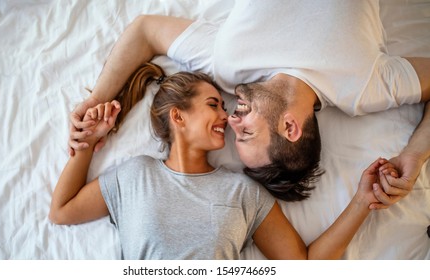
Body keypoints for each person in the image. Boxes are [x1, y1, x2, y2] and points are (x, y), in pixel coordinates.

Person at [68, 1, 430, 202]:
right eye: (246, 133)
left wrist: (99, 97)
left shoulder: (227, 69)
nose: (230, 121)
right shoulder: (365, 87)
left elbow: (145, 29)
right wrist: (415, 155)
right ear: (290, 127)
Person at [50, 62, 399, 259]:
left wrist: (361, 202)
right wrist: (88, 143)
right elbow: (62, 210)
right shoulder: (133, 176)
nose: (226, 114)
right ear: (179, 117)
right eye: (213, 104)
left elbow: (302, 266)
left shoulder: (243, 192)